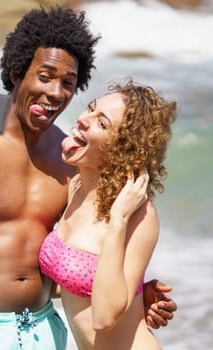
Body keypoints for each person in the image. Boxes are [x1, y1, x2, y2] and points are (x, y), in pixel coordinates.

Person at [0, 6, 176, 350]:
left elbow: (80, 249)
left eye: (68, 83)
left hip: (42, 329)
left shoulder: (67, 152)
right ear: (16, 72)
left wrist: (132, 292)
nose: (55, 92)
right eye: (45, 75)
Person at [39, 79, 178, 349]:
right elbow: (70, 283)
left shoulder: (139, 216)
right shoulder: (75, 187)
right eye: (90, 109)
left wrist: (119, 220)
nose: (83, 119)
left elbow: (103, 317)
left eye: (101, 123)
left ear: (121, 150)